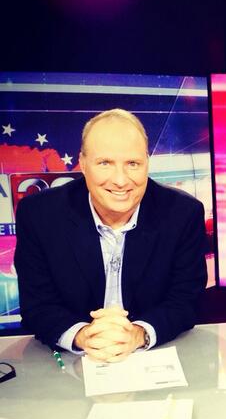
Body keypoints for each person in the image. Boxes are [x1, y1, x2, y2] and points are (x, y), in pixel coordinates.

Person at [15, 108, 207, 362]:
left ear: (147, 163)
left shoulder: (183, 214)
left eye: (132, 164)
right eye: (105, 163)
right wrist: (83, 335)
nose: (120, 180)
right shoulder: (39, 215)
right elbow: (37, 306)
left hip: (154, 358)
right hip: (69, 362)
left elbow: (186, 301)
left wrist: (138, 334)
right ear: (83, 164)